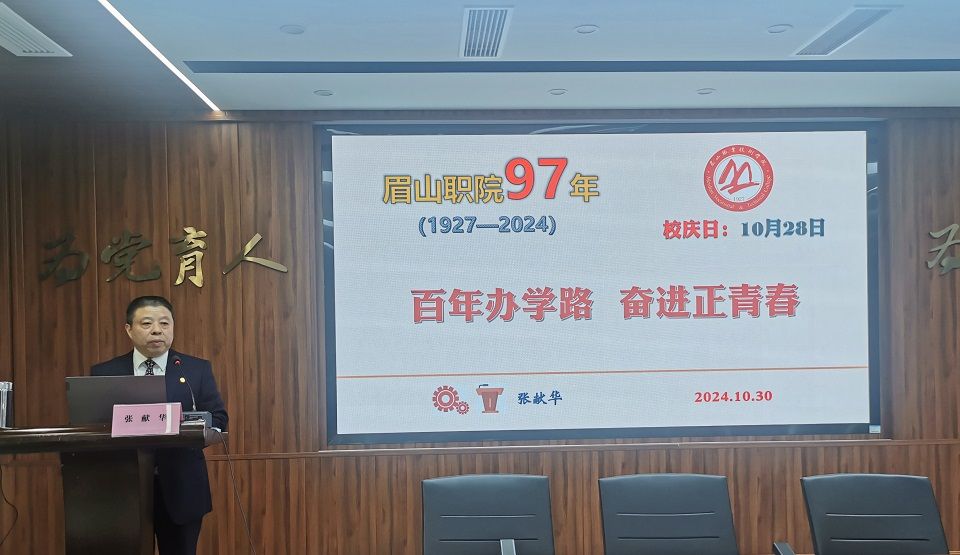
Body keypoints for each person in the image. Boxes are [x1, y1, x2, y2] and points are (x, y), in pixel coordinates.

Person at [91, 295, 228, 555]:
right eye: (147, 323)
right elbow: (92, 423)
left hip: (181, 487)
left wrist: (187, 427)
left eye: (165, 323)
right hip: (122, 488)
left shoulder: (195, 370)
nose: (157, 330)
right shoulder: (104, 373)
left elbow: (218, 418)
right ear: (129, 329)